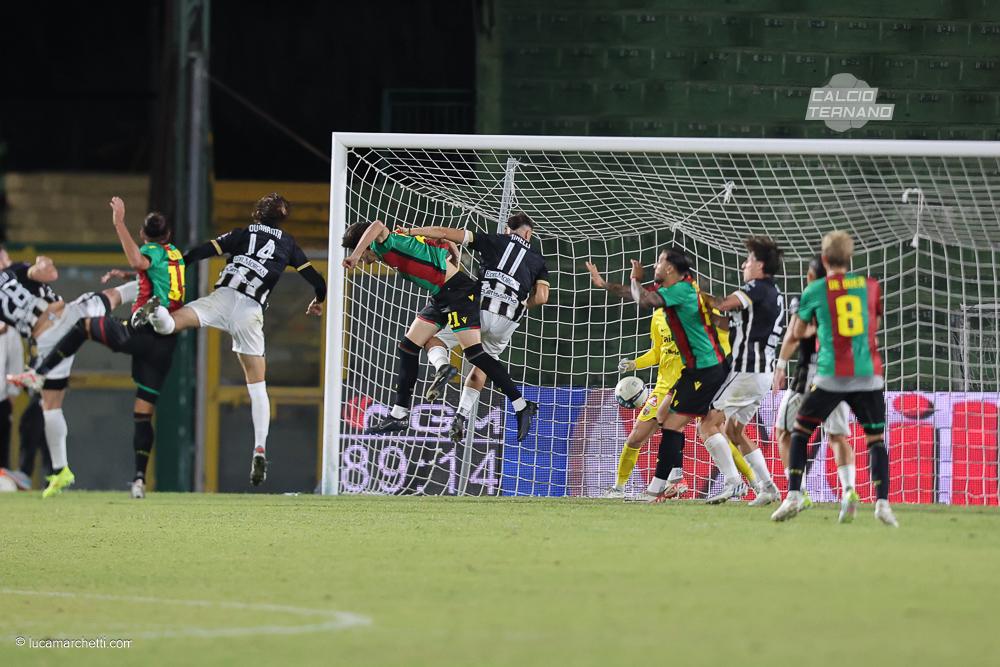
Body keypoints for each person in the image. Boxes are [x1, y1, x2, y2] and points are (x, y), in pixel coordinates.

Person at [134, 193, 326, 486]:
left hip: (222, 299)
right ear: (283, 218)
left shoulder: (243, 233)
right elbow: (317, 280)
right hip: (250, 312)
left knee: (169, 325)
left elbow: (201, 252)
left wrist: (176, 265)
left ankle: (156, 308)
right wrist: (318, 300)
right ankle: (259, 448)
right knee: (257, 385)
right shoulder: (289, 245)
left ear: (256, 214)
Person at [12, 197, 185, 498]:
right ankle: (138, 479)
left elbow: (139, 261)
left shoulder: (148, 250)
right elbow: (146, 270)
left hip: (124, 335)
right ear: (169, 235)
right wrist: (133, 277)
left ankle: (38, 372)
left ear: (144, 236)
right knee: (143, 413)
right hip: (163, 348)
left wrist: (119, 222)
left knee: (85, 325)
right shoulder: (176, 255)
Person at [341, 219, 537, 441]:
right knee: (408, 346)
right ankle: (400, 413)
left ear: (365, 244)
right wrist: (451, 252)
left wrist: (355, 254)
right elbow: (441, 243)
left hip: (459, 294)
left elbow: (376, 224)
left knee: (475, 354)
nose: (364, 261)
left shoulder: (384, 243)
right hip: (442, 294)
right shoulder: (393, 245)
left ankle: (521, 404)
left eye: (362, 253)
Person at [587, 248, 739, 503]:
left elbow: (644, 299)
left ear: (669, 269)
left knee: (708, 427)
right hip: (695, 371)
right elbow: (644, 300)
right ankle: (666, 486)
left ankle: (740, 483)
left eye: (659, 261)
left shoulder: (682, 291)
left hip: (707, 369)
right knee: (684, 425)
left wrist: (635, 279)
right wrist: (605, 285)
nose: (655, 265)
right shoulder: (676, 294)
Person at [770, 231, 897, 526]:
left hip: (831, 374)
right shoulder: (870, 286)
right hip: (868, 373)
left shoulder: (815, 291)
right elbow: (874, 324)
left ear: (824, 259)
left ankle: (792, 495)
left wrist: (820, 327)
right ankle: (882, 504)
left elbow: (798, 332)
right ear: (849, 259)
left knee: (800, 431)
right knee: (875, 440)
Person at [397, 212, 550, 444]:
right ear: (529, 233)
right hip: (507, 319)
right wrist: (522, 304)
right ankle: (461, 415)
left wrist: (409, 231)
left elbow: (444, 233)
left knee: (433, 340)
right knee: (483, 365)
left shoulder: (493, 240)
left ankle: (443, 366)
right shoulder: (538, 260)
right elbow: (541, 297)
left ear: (507, 230)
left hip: (478, 308)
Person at [0, 247, 128, 497]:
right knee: (44, 410)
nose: (6, 258)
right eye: (2, 256)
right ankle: (53, 471)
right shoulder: (15, 273)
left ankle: (50, 471)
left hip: (50, 336)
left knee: (45, 409)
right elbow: (45, 274)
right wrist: (41, 266)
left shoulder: (14, 275)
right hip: (57, 326)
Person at [701, 237, 785, 506]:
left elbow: (723, 304)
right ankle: (769, 487)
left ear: (760, 265)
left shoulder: (757, 287)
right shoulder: (772, 294)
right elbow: (728, 322)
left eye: (748, 260)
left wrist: (694, 293)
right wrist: (711, 319)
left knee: (708, 423)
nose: (743, 264)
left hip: (747, 369)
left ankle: (732, 483)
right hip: (762, 374)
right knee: (735, 431)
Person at [772, 255, 856, 516]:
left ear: (810, 276)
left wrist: (781, 365)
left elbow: (794, 334)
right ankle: (849, 490)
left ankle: (799, 493)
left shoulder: (809, 295)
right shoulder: (850, 297)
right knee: (837, 436)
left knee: (784, 432)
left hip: (811, 374)